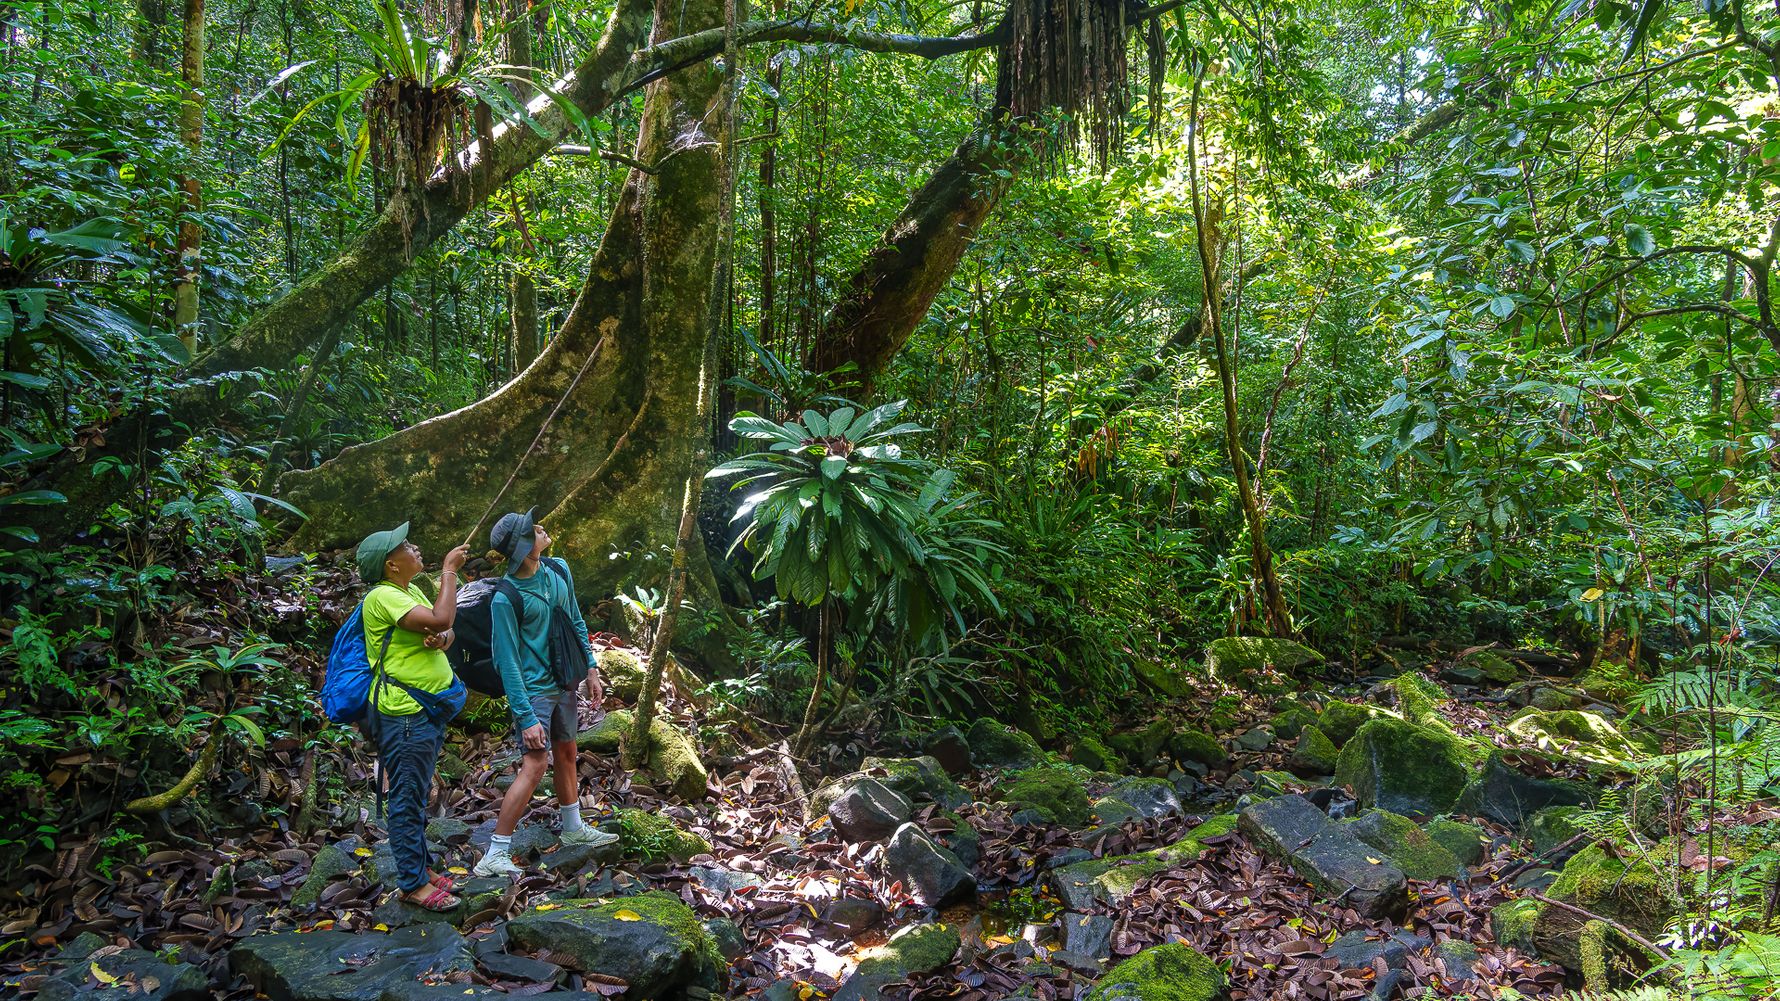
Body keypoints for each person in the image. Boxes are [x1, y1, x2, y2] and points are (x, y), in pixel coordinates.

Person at [473, 508, 617, 877]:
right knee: (536, 764)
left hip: (563, 681)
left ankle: (573, 828)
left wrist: (591, 669)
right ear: (523, 547)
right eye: (533, 530)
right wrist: (525, 717)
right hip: (533, 691)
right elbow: (506, 661)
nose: (541, 528)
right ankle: (495, 853)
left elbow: (576, 620)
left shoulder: (558, 570)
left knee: (567, 752)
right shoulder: (506, 598)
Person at [355, 522, 472, 910]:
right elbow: (442, 618)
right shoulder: (383, 596)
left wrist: (441, 639)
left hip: (424, 710)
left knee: (418, 792)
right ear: (391, 564)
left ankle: (420, 868)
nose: (415, 547)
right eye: (405, 546)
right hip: (404, 714)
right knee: (407, 797)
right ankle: (412, 884)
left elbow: (446, 630)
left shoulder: (409, 591)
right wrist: (449, 571)